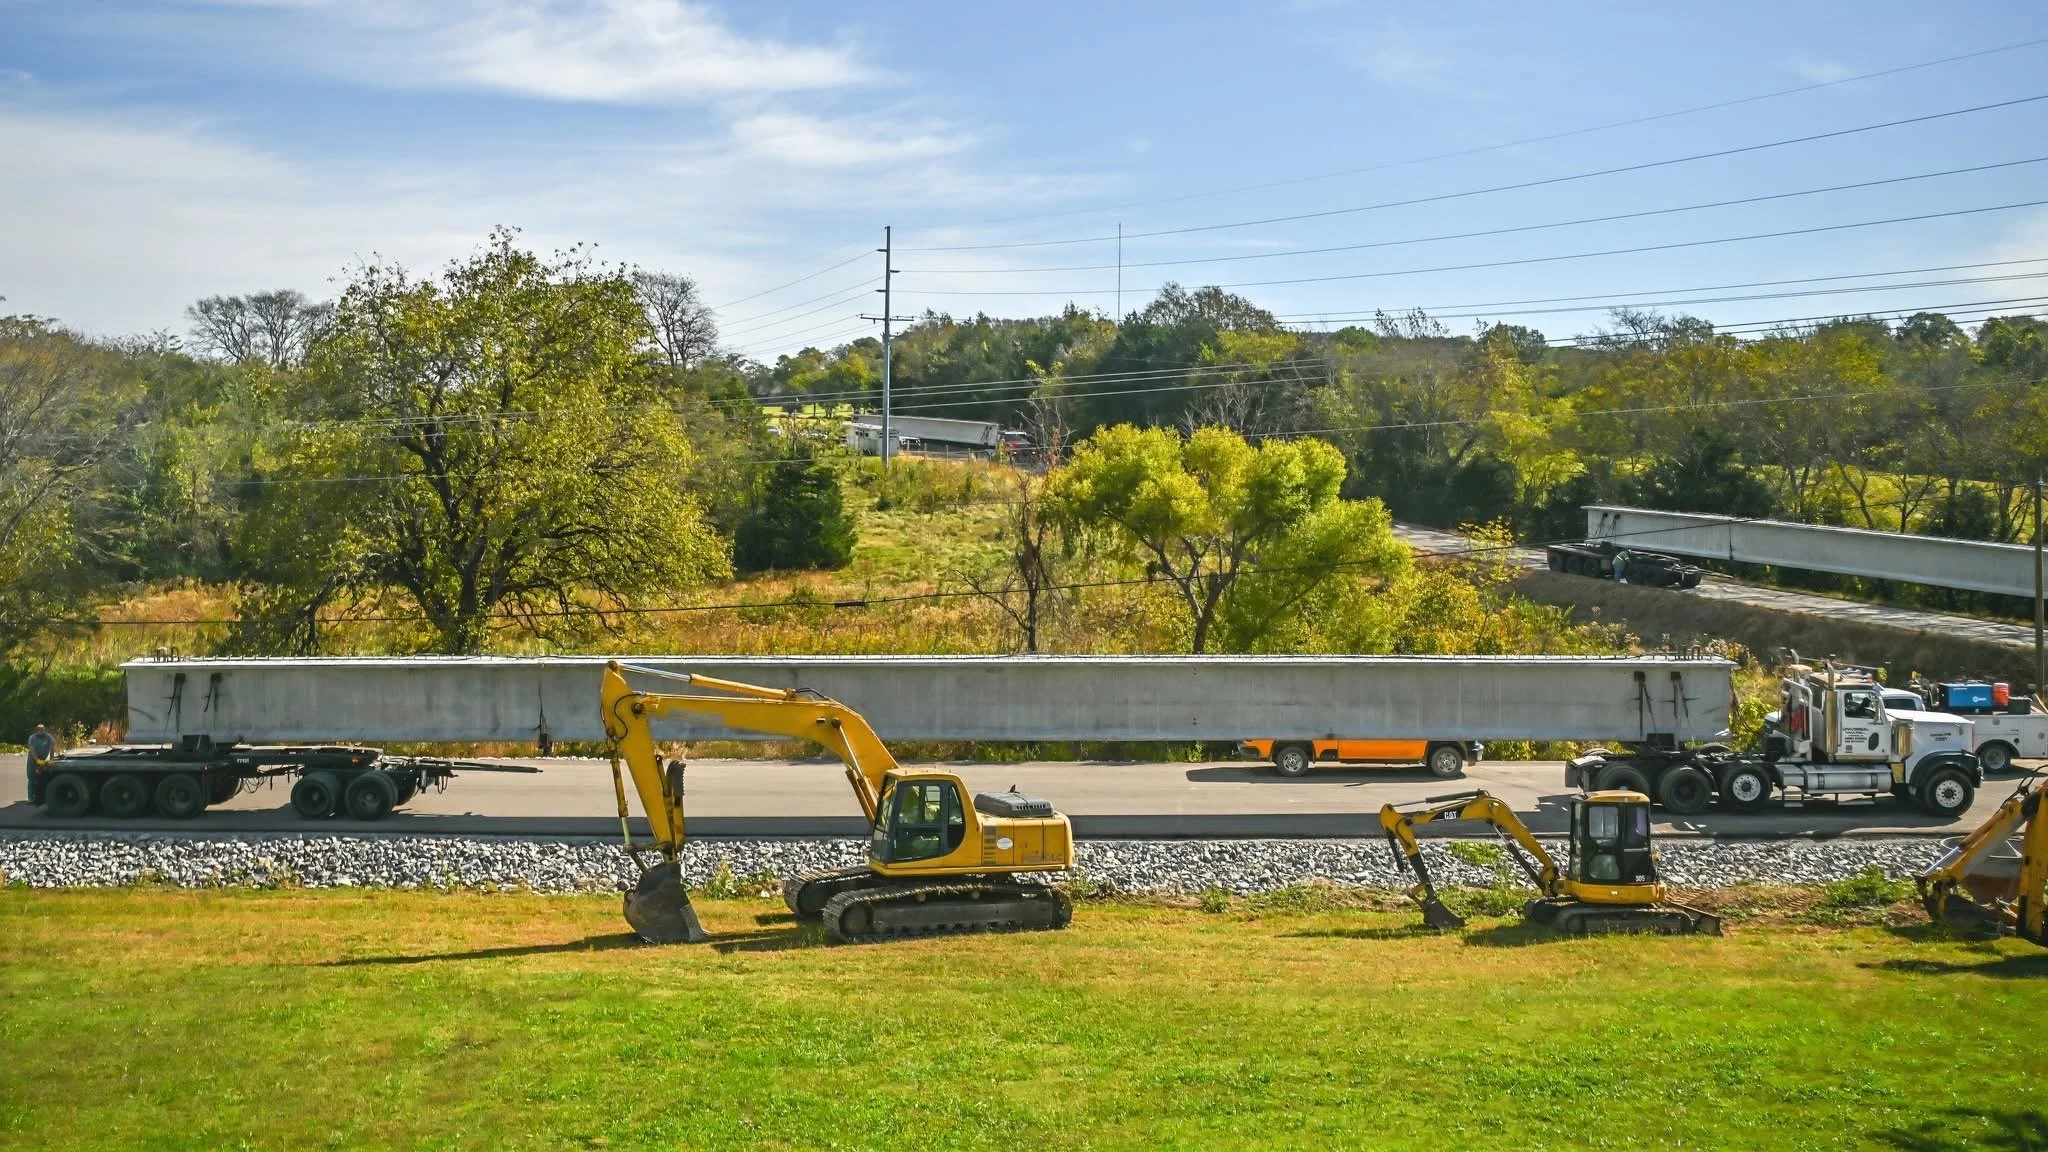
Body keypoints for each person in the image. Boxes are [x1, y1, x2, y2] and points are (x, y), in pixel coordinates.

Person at [25, 723, 56, 806]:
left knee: (41, 778)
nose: (41, 731)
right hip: (33, 759)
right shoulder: (32, 738)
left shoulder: (48, 737)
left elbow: (52, 748)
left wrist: (51, 759)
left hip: (43, 759)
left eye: (43, 730)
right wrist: (37, 760)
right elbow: (32, 750)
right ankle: (31, 798)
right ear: (36, 731)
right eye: (39, 730)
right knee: (31, 778)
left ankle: (39, 797)